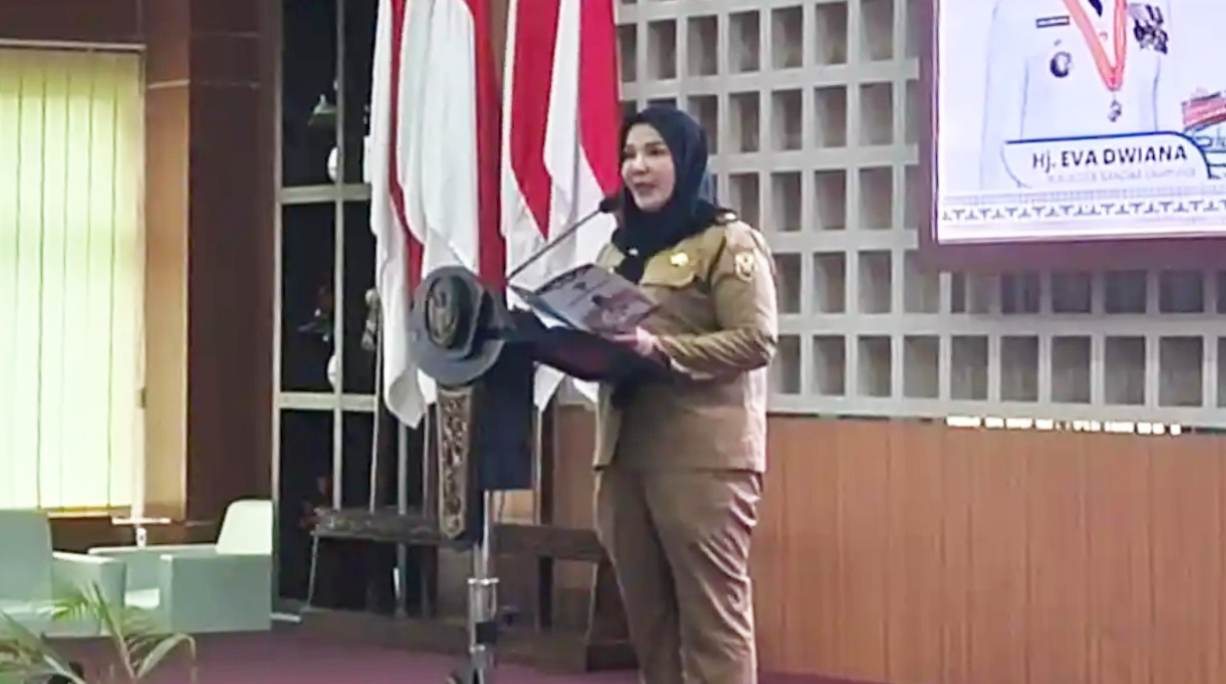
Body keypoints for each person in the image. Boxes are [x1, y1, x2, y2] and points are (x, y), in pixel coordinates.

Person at [591, 105, 779, 684]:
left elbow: (757, 340)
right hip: (623, 455)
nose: (637, 167)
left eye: (655, 153)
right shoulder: (616, 251)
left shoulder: (727, 242)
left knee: (711, 622)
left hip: (702, 458)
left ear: (688, 161)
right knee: (649, 624)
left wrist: (660, 349)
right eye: (629, 155)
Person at [979, 0, 1179, 189]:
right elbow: (1000, 141)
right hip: (1055, 203)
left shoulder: (1154, 4)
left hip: (1138, 202)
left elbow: (1171, 125)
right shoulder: (1018, 8)